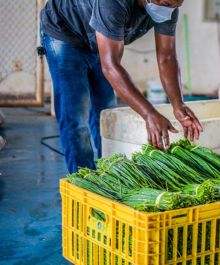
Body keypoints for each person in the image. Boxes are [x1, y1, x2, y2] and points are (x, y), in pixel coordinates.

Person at [40, 0, 203, 173]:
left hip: (97, 38)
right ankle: (83, 180)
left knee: (106, 111)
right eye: (165, 3)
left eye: (175, 5)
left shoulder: (167, 6)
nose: (167, 9)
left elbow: (167, 58)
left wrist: (178, 105)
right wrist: (149, 114)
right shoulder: (113, 3)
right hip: (65, 32)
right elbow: (111, 67)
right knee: (75, 117)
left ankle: (109, 172)